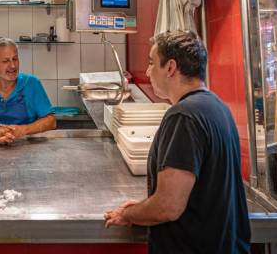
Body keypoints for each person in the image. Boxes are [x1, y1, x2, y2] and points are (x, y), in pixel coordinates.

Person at [104, 30, 250, 254]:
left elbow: (168, 206)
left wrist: (128, 214)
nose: (148, 71)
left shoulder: (183, 116)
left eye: (152, 63)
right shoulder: (217, 107)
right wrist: (143, 207)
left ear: (170, 67)